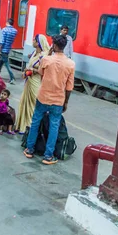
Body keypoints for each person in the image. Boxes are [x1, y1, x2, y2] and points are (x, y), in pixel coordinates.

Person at [23, 34, 75, 165]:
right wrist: (66, 102)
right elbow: (69, 87)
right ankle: (48, 156)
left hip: (43, 96)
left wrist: (50, 54)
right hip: (58, 100)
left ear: (54, 45)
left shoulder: (46, 59)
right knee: (54, 126)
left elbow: (41, 74)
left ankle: (29, 149)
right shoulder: (70, 64)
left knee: (35, 121)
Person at [16, 34, 51, 134]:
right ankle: (24, 126)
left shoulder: (44, 56)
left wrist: (32, 70)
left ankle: (32, 127)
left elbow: (44, 71)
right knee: (25, 102)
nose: (32, 41)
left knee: (34, 104)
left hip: (36, 82)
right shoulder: (35, 52)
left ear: (39, 43)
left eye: (34, 40)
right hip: (29, 81)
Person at [0, 18, 18, 84]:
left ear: (7, 23)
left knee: (7, 64)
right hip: (8, 48)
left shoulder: (4, 30)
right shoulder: (15, 31)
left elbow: (2, 41)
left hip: (3, 49)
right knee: (1, 62)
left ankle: (12, 78)